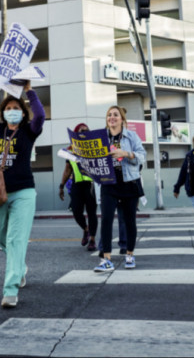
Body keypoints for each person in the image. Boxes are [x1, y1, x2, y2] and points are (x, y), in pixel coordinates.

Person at [0, 80, 45, 308]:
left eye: (16, 109)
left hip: (23, 192)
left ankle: (10, 290)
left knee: (15, 239)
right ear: (3, 113)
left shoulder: (28, 132)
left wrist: (29, 91)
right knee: (2, 239)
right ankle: (20, 268)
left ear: (23, 113)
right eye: (8, 109)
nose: (12, 112)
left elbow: (39, 116)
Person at [93, 105, 145, 272]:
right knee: (106, 220)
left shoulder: (131, 136)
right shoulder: (101, 138)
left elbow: (142, 156)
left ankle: (129, 254)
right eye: (109, 115)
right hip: (109, 183)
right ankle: (106, 259)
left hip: (129, 182)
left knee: (129, 221)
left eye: (115, 115)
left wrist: (127, 154)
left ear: (122, 119)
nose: (112, 117)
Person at [58, 123, 98, 251]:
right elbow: (67, 170)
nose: (84, 132)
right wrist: (61, 186)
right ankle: (86, 230)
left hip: (91, 185)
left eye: (87, 130)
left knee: (92, 213)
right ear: (75, 133)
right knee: (76, 211)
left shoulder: (95, 147)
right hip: (77, 185)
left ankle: (92, 239)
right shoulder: (70, 150)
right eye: (82, 131)